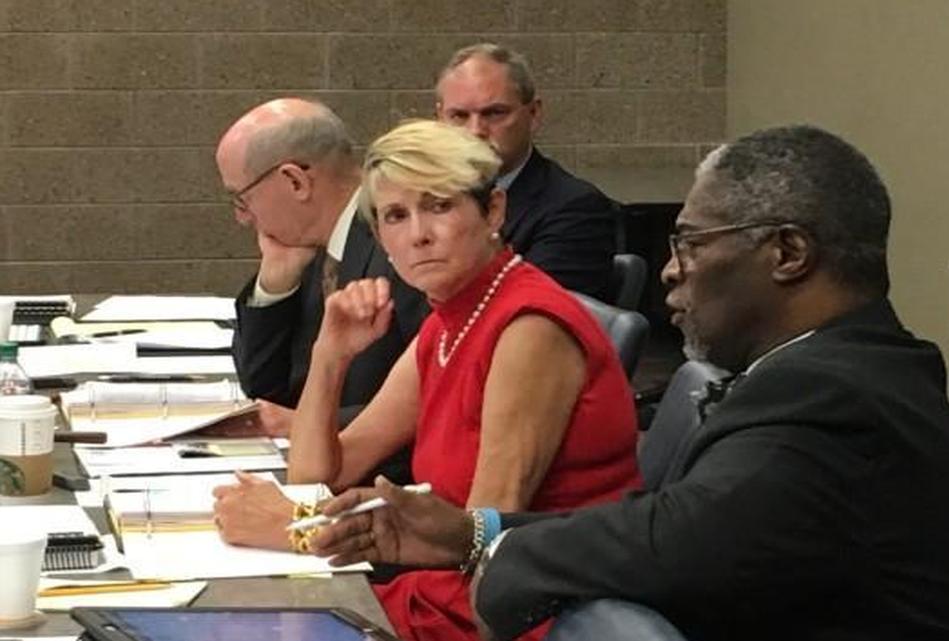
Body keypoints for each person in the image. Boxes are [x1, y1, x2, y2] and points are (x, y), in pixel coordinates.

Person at [307, 125, 949, 641]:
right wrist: (472, 530)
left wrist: (478, 542)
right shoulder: (845, 369)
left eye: (692, 243)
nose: (673, 270)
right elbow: (670, 524)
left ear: (787, 253)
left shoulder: (830, 401)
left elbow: (668, 542)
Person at [213, 119, 642, 641]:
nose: (418, 234)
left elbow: (484, 539)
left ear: (493, 212)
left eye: (440, 206)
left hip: (521, 614)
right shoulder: (451, 318)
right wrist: (330, 354)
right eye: (395, 215)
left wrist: (301, 531)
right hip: (442, 591)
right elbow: (321, 470)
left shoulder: (528, 327)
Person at [215, 98, 429, 443]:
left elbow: (438, 400)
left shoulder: (399, 245)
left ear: (296, 181)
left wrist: (306, 423)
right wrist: (274, 286)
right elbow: (265, 387)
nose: (242, 217)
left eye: (242, 198)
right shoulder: (316, 247)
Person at [436, 43, 617, 301]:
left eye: (494, 113)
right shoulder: (420, 202)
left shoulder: (576, 208)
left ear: (533, 114)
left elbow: (533, 317)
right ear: (439, 118)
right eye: (459, 116)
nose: (475, 130)